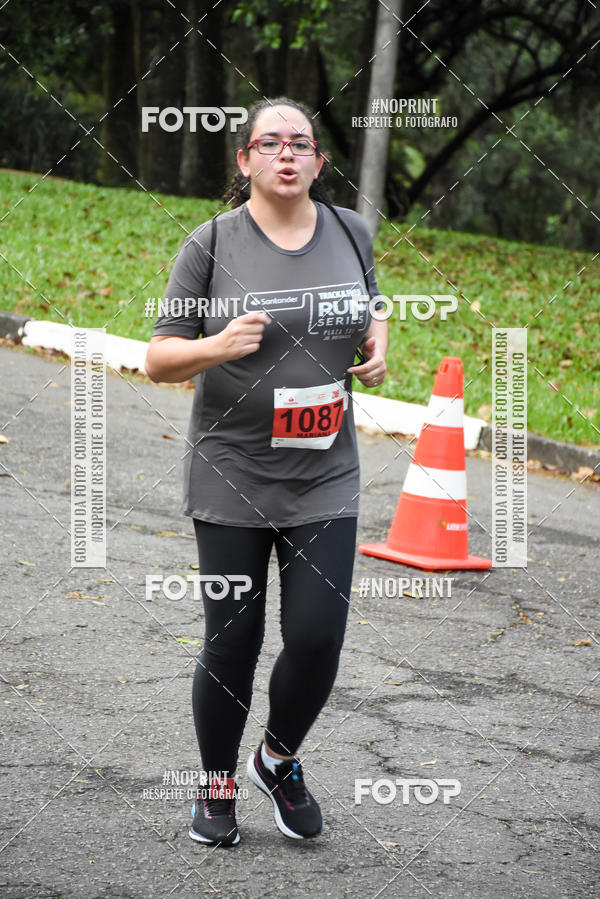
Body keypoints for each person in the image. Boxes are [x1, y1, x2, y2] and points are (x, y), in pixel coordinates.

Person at [145, 96, 387, 847]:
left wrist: (378, 338)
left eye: (303, 143)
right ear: (244, 159)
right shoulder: (211, 243)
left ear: (318, 160)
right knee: (234, 639)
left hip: (326, 471)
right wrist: (215, 347)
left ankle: (277, 759)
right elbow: (157, 356)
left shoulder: (352, 230)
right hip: (233, 468)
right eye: (271, 143)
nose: (288, 154)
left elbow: (368, 300)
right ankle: (215, 788)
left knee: (317, 635)